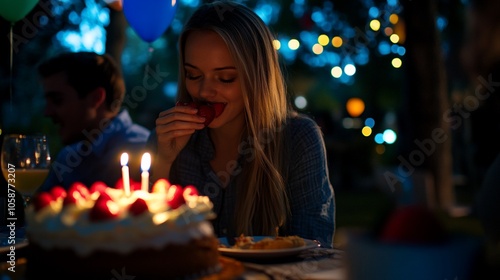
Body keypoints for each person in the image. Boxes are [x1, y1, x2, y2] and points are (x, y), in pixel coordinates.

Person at [149, 1, 335, 247]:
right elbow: (146, 246)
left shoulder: (297, 139)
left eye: (225, 78)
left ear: (257, 77)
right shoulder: (168, 138)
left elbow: (314, 248)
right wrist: (163, 162)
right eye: (194, 75)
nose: (204, 91)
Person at [36, 51, 150, 192]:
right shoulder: (67, 157)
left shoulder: (142, 149)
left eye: (58, 100)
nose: (47, 112)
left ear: (96, 98)